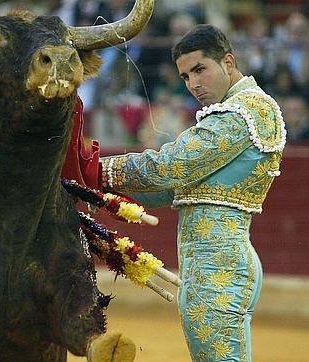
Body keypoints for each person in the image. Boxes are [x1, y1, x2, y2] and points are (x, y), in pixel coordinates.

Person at [100, 24, 286, 361]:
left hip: (219, 268)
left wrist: (94, 168)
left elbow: (169, 166)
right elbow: (167, 186)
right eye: (185, 76)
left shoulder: (245, 112)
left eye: (200, 69)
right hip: (211, 264)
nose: (193, 84)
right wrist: (95, 184)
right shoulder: (234, 113)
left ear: (228, 62)